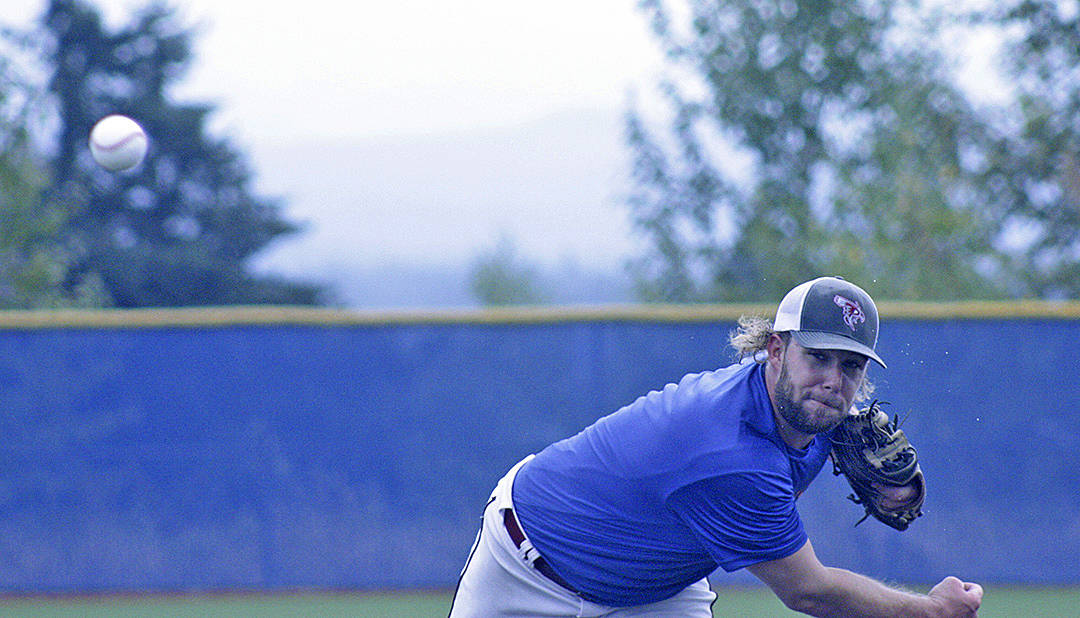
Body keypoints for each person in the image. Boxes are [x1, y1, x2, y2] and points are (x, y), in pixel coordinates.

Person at [448, 276, 982, 617]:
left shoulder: (818, 415)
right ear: (775, 350)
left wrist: (901, 488)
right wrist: (929, 611)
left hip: (654, 590)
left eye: (850, 365)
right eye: (816, 357)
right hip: (527, 571)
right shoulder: (730, 456)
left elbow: (893, 484)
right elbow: (809, 592)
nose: (832, 380)